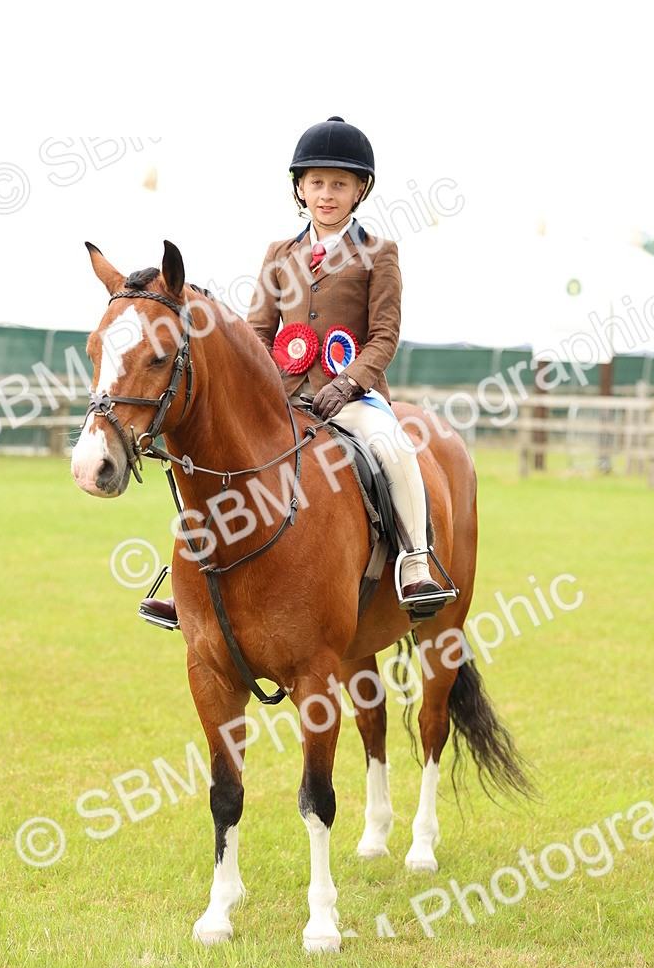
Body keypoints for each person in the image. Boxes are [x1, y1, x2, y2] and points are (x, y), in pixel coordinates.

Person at [140, 116, 454, 631]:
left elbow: (384, 336)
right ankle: (187, 581)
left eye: (340, 184)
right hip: (282, 396)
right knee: (216, 458)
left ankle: (416, 563)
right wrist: (259, 390)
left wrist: (347, 383)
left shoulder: (380, 254)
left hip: (352, 398)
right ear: (300, 188)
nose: (327, 194)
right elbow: (257, 333)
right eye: (317, 183)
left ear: (359, 190)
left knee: (393, 445)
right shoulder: (279, 254)